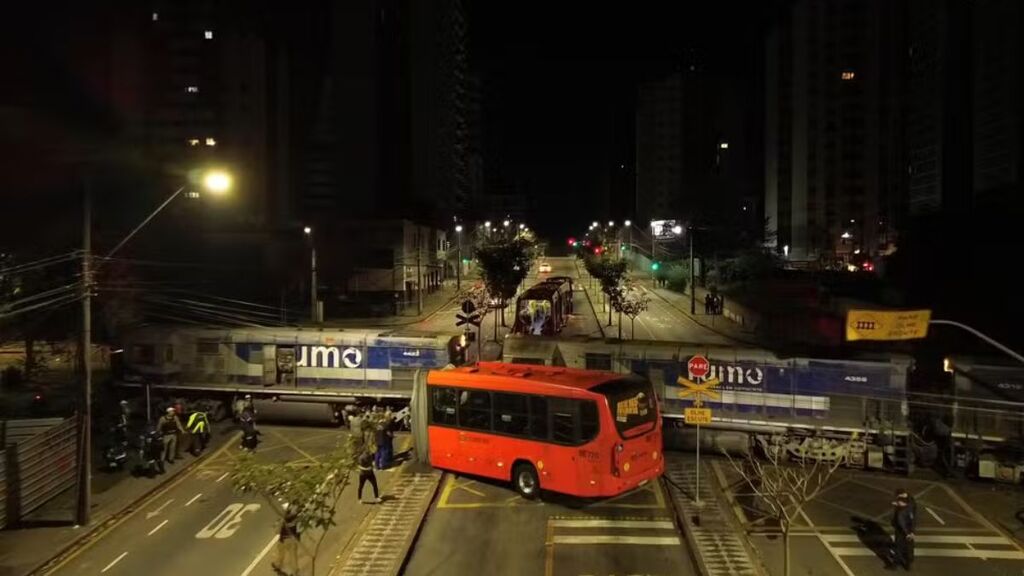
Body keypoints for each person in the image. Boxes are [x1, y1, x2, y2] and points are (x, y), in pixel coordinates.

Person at [889, 488, 916, 570]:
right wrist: (912, 532)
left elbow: (901, 523)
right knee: (909, 547)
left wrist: (907, 533)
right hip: (909, 529)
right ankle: (908, 564)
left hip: (902, 531)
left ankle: (895, 564)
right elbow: (913, 519)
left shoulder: (901, 512)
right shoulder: (911, 504)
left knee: (898, 546)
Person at [272, 503, 300, 576]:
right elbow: (299, 530)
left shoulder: (283, 520)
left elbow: (277, 531)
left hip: (283, 539)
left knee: (280, 553)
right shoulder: (296, 519)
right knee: (293, 556)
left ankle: (277, 565)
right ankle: (294, 572)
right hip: (292, 539)